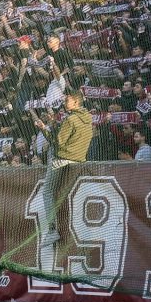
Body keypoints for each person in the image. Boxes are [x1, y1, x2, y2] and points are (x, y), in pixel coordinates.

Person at [35, 89, 94, 246]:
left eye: (67, 100)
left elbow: (57, 142)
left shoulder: (71, 120)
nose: (64, 102)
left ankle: (52, 230)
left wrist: (43, 128)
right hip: (79, 161)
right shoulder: (88, 119)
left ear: (75, 102)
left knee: (47, 192)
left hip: (62, 160)